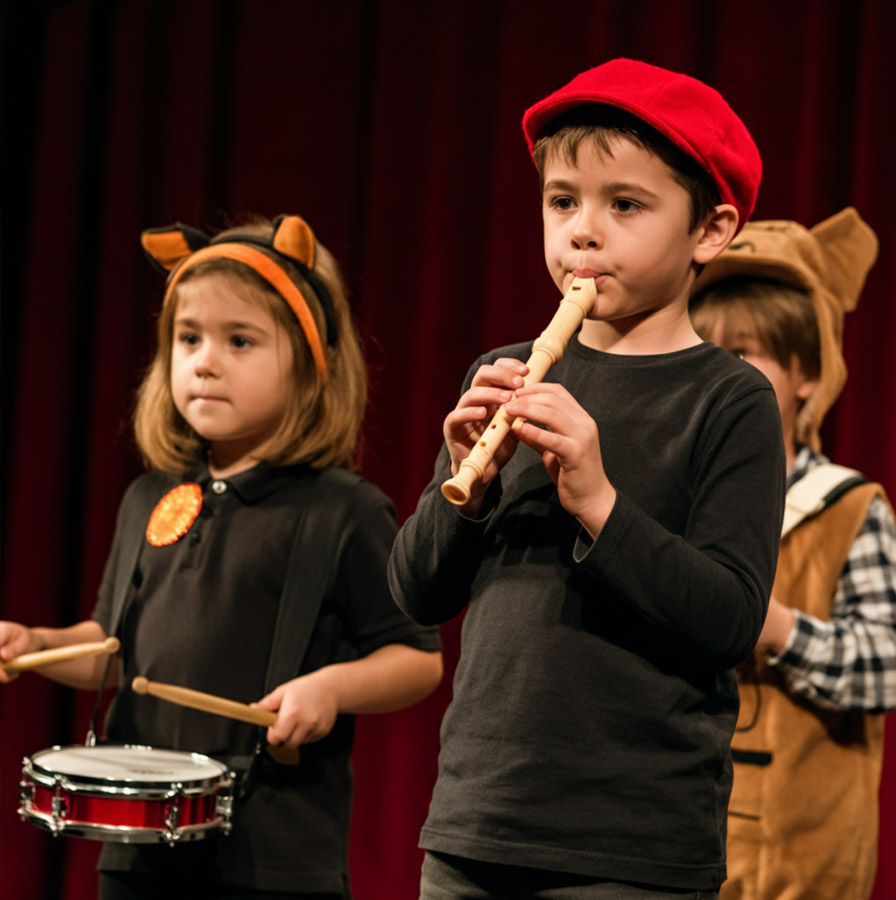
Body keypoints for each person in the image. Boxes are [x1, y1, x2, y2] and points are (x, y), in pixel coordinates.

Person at [388, 57, 785, 899]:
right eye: (562, 201)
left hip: (631, 846)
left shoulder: (732, 399)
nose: (583, 232)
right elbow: (418, 594)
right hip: (476, 822)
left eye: (625, 205)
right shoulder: (507, 369)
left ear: (710, 230)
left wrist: (600, 503)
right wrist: (465, 486)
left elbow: (728, 621)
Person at [0, 214, 443, 899]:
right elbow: (114, 651)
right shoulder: (147, 497)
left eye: (240, 340)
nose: (205, 361)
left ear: (310, 363)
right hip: (139, 848)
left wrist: (328, 689)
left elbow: (416, 659)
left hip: (274, 856)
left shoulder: (343, 511)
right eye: (189, 338)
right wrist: (38, 645)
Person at [689, 208, 896, 900]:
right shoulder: (674, 500)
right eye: (706, 352)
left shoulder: (849, 508)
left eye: (744, 352)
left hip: (799, 857)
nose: (721, 374)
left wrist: (778, 630)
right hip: (676, 833)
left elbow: (887, 667)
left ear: (806, 373)